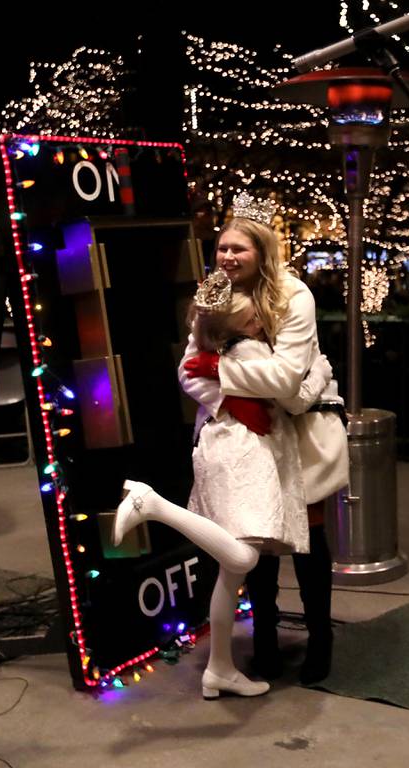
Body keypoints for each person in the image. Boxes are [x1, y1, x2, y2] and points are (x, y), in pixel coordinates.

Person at [113, 271, 332, 699]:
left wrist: (223, 377)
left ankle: (220, 668)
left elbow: (210, 372)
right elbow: (290, 390)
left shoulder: (235, 341)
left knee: (233, 572)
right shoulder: (249, 347)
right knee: (245, 557)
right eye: (252, 318)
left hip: (240, 449)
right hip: (244, 454)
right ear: (240, 325)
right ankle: (152, 503)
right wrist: (313, 372)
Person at [180, 193, 349, 685]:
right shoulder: (211, 292)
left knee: (310, 548)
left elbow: (284, 380)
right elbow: (186, 372)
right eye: (223, 248)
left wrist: (218, 368)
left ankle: (322, 641)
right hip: (244, 439)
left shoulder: (294, 295)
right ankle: (266, 643)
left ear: (263, 253)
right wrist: (232, 399)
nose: (228, 257)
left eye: (241, 249)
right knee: (255, 548)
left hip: (301, 438)